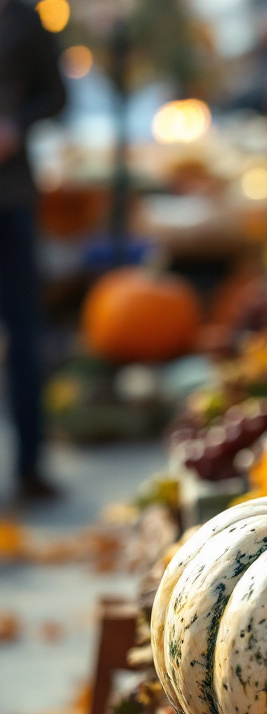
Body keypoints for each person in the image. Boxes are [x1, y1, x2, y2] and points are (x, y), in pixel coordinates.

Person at [0, 0, 66, 502]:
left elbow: (56, 95)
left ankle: (30, 464)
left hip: (11, 197)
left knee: (24, 335)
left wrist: (16, 124)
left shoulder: (26, 18)